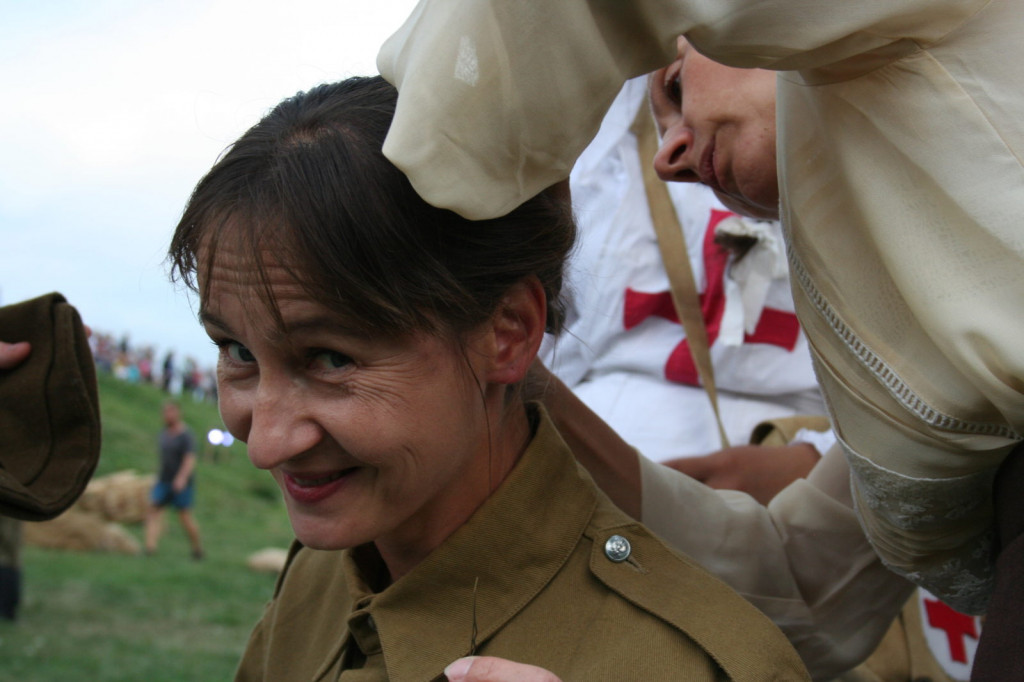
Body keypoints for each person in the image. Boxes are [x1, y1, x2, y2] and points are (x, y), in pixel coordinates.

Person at [377, 3, 1023, 677]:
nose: (668, 160)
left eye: (678, 87)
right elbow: (802, 590)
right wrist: (517, 377)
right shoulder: (921, 367)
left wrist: (403, 191)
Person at [167, 75, 809, 681]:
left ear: (507, 333)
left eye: (331, 359)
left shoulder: (699, 663)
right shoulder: (319, 582)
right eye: (237, 352)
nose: (265, 445)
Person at [144, 401, 203, 559]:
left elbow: (189, 458)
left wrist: (182, 478)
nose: (167, 415)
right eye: (165, 412)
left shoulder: (186, 435)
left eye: (171, 412)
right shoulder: (163, 434)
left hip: (181, 482)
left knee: (184, 516)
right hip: (163, 480)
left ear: (178, 413)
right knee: (153, 511)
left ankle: (197, 549)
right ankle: (150, 548)